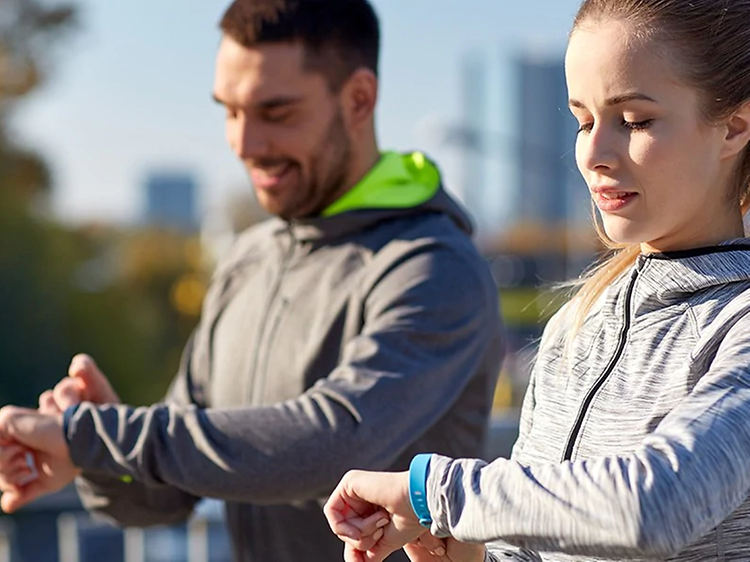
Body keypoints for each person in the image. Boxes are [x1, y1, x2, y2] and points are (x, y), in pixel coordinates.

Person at [0, 1, 506, 561]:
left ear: (359, 99)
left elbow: (330, 443)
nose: (243, 142)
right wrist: (97, 457)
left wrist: (101, 436)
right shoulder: (248, 260)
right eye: (231, 111)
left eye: (276, 111)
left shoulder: (433, 266)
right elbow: (161, 501)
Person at [322, 0, 750, 560]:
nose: (594, 153)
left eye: (636, 121)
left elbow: (654, 505)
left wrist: (436, 493)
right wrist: (459, 551)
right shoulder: (577, 325)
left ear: (733, 127)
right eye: (583, 121)